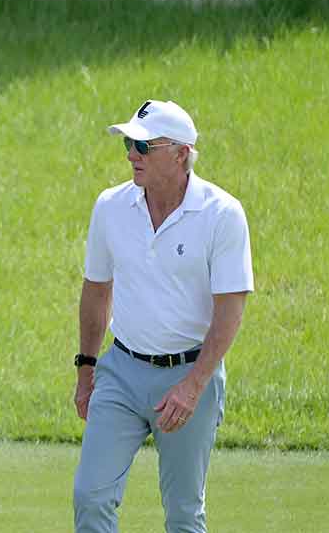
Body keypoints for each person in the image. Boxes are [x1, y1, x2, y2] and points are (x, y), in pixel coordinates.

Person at [73, 100, 253, 533]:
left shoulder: (222, 214)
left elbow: (231, 309)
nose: (131, 154)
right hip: (120, 371)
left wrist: (192, 387)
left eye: (142, 145)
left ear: (180, 153)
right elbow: (97, 290)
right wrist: (86, 368)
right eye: (129, 145)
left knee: (183, 513)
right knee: (90, 496)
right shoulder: (110, 206)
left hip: (190, 375)